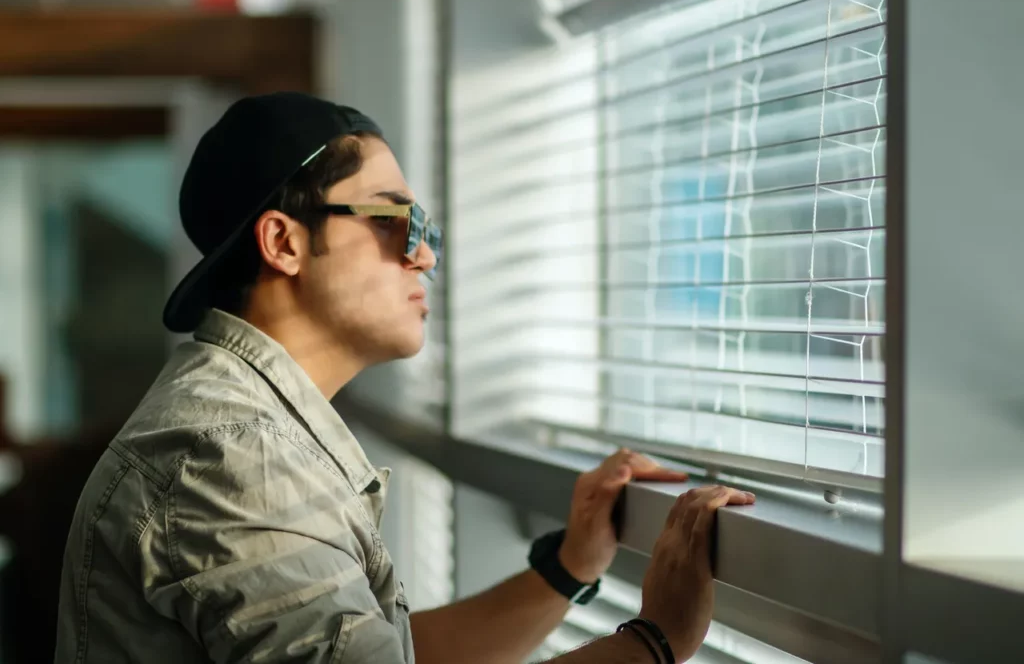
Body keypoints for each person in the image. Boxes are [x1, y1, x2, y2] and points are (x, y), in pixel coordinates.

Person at [55, 92, 755, 664]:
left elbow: (392, 655)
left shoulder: (248, 424)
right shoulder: (235, 454)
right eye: (395, 219)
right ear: (284, 243)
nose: (423, 255)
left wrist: (568, 567)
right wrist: (656, 640)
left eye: (428, 229)